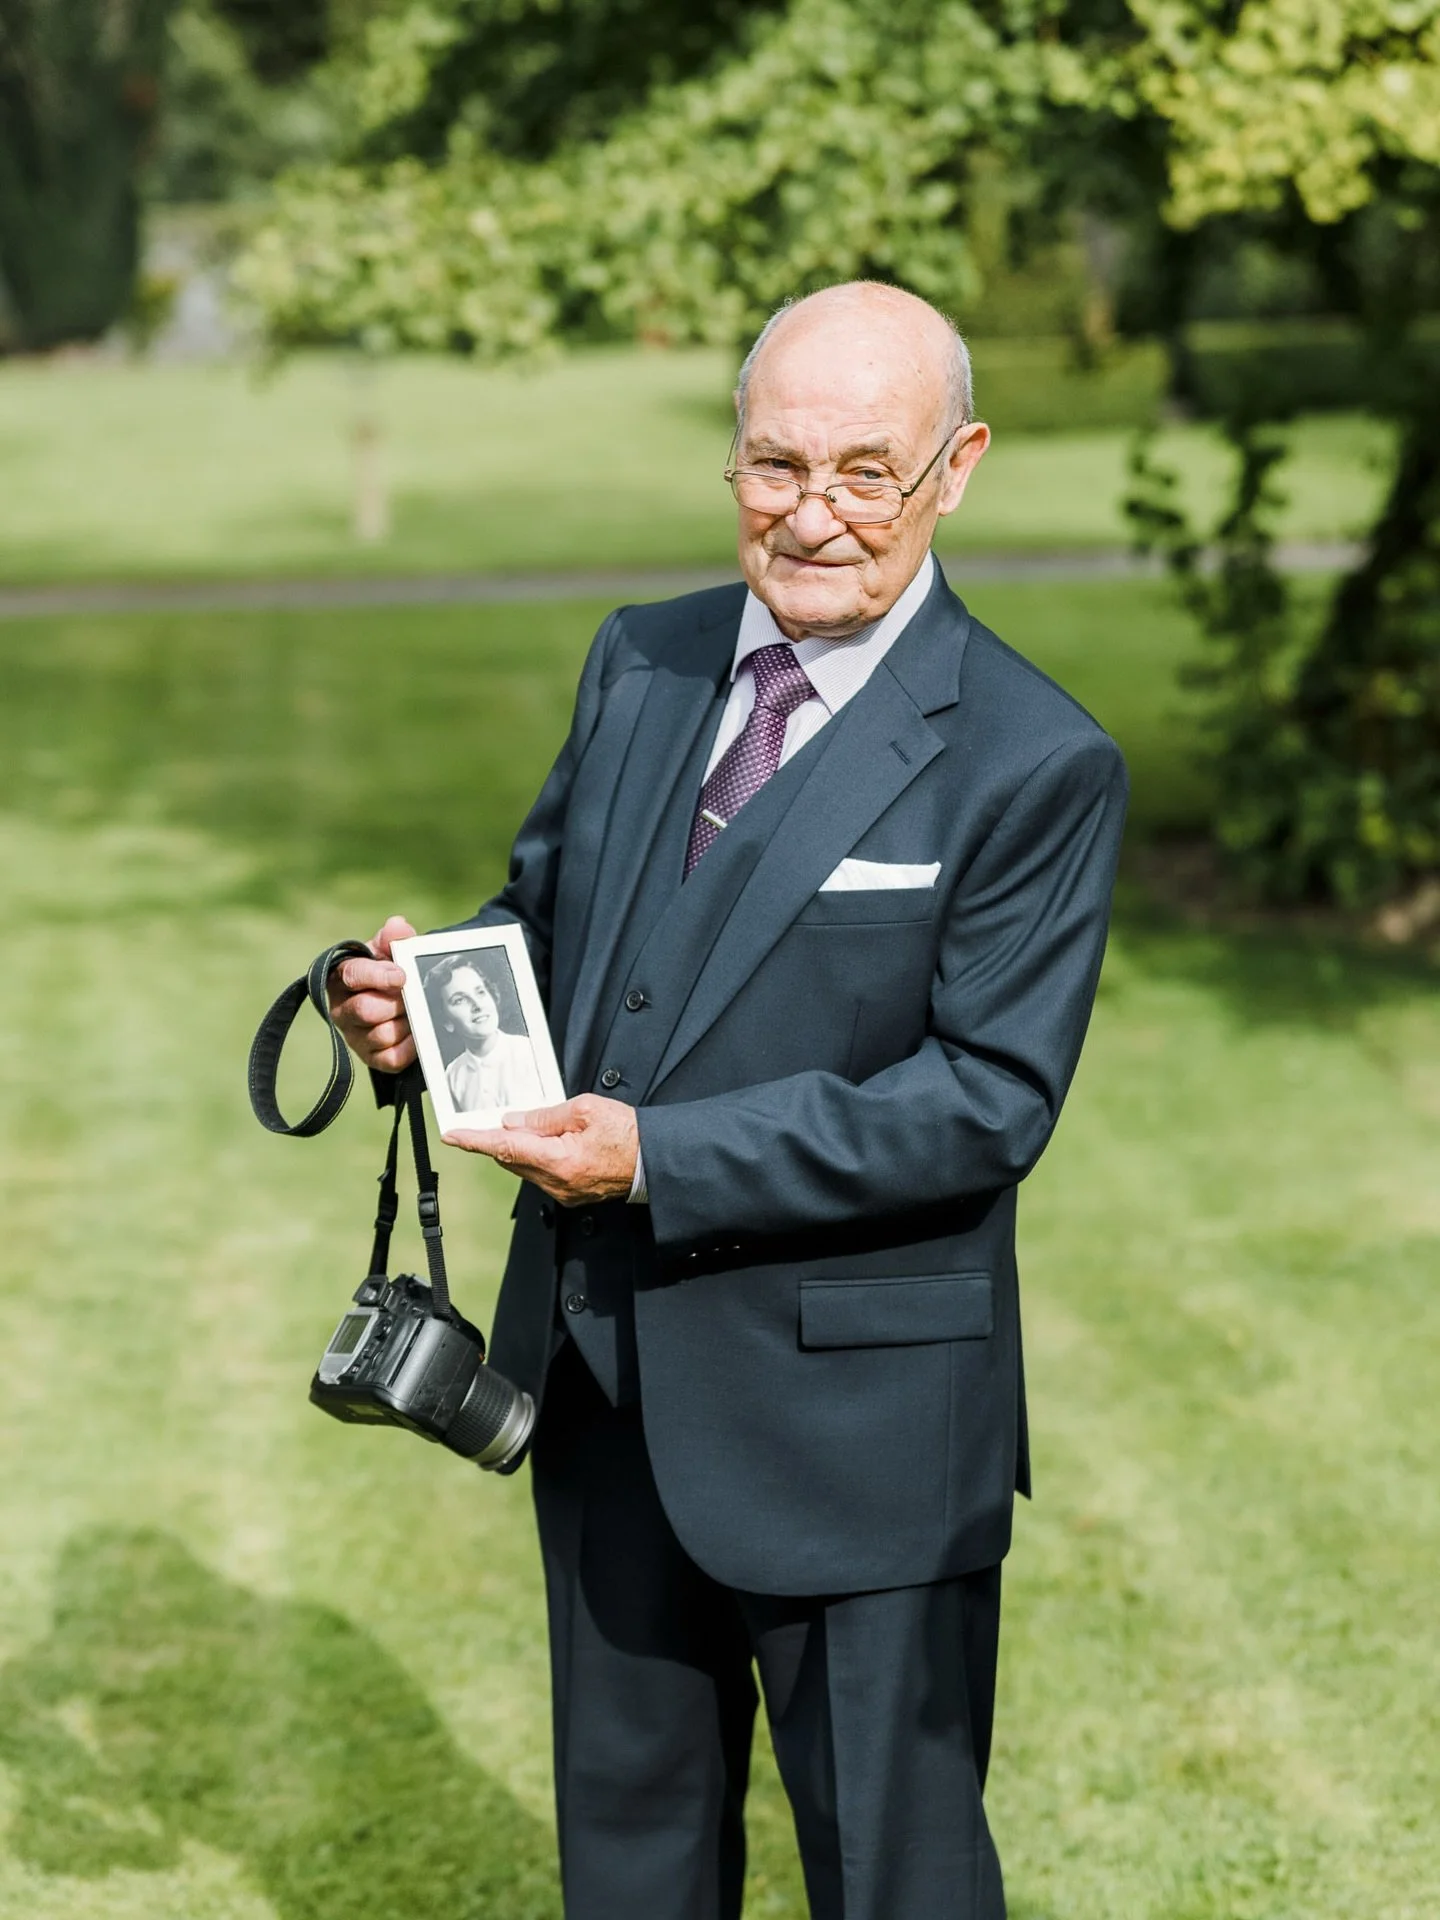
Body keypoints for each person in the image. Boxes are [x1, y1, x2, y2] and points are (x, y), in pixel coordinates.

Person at [330, 280, 1129, 1920]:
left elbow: (983, 1102)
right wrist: (423, 1009)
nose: (815, 515)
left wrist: (657, 1158)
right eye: (776, 467)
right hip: (604, 1383)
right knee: (629, 1871)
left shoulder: (1037, 759)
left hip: (864, 1435)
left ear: (957, 468)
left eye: (864, 473)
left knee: (896, 1884)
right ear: (731, 462)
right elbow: (551, 923)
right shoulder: (643, 659)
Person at [424, 952, 545, 1115]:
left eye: (480, 992)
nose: (477, 1006)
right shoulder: (453, 1075)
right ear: (446, 1021)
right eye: (459, 1000)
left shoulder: (531, 1052)